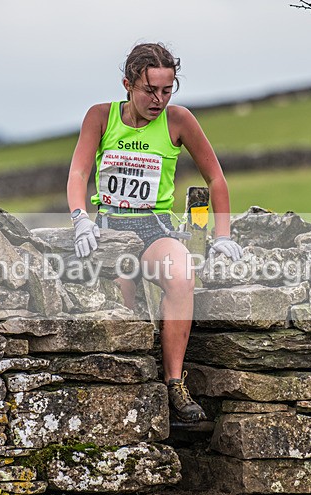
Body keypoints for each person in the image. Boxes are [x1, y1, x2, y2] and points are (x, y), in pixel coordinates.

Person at [66, 42, 242, 423]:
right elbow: (79, 172)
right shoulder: (100, 116)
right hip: (109, 227)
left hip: (154, 227)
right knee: (121, 297)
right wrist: (80, 218)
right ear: (127, 84)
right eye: (150, 90)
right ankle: (130, 390)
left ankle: (174, 384)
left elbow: (216, 178)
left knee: (181, 276)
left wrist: (223, 235)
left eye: (167, 89)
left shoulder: (179, 120)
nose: (159, 99)